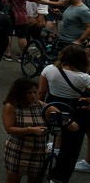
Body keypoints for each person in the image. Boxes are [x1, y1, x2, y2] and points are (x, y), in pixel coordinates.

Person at [3, 78, 76, 183]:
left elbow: (71, 125)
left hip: (39, 152)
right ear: (19, 93)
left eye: (35, 92)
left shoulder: (41, 106)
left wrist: (67, 122)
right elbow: (9, 129)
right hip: (18, 150)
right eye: (29, 93)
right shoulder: (11, 106)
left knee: (36, 180)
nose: (33, 95)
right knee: (13, 180)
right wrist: (31, 130)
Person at [38, 44, 90, 183]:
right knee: (71, 147)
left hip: (52, 107)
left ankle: (38, 167)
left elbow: (41, 92)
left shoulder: (49, 70)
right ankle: (59, 178)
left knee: (45, 135)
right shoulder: (85, 78)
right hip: (75, 112)